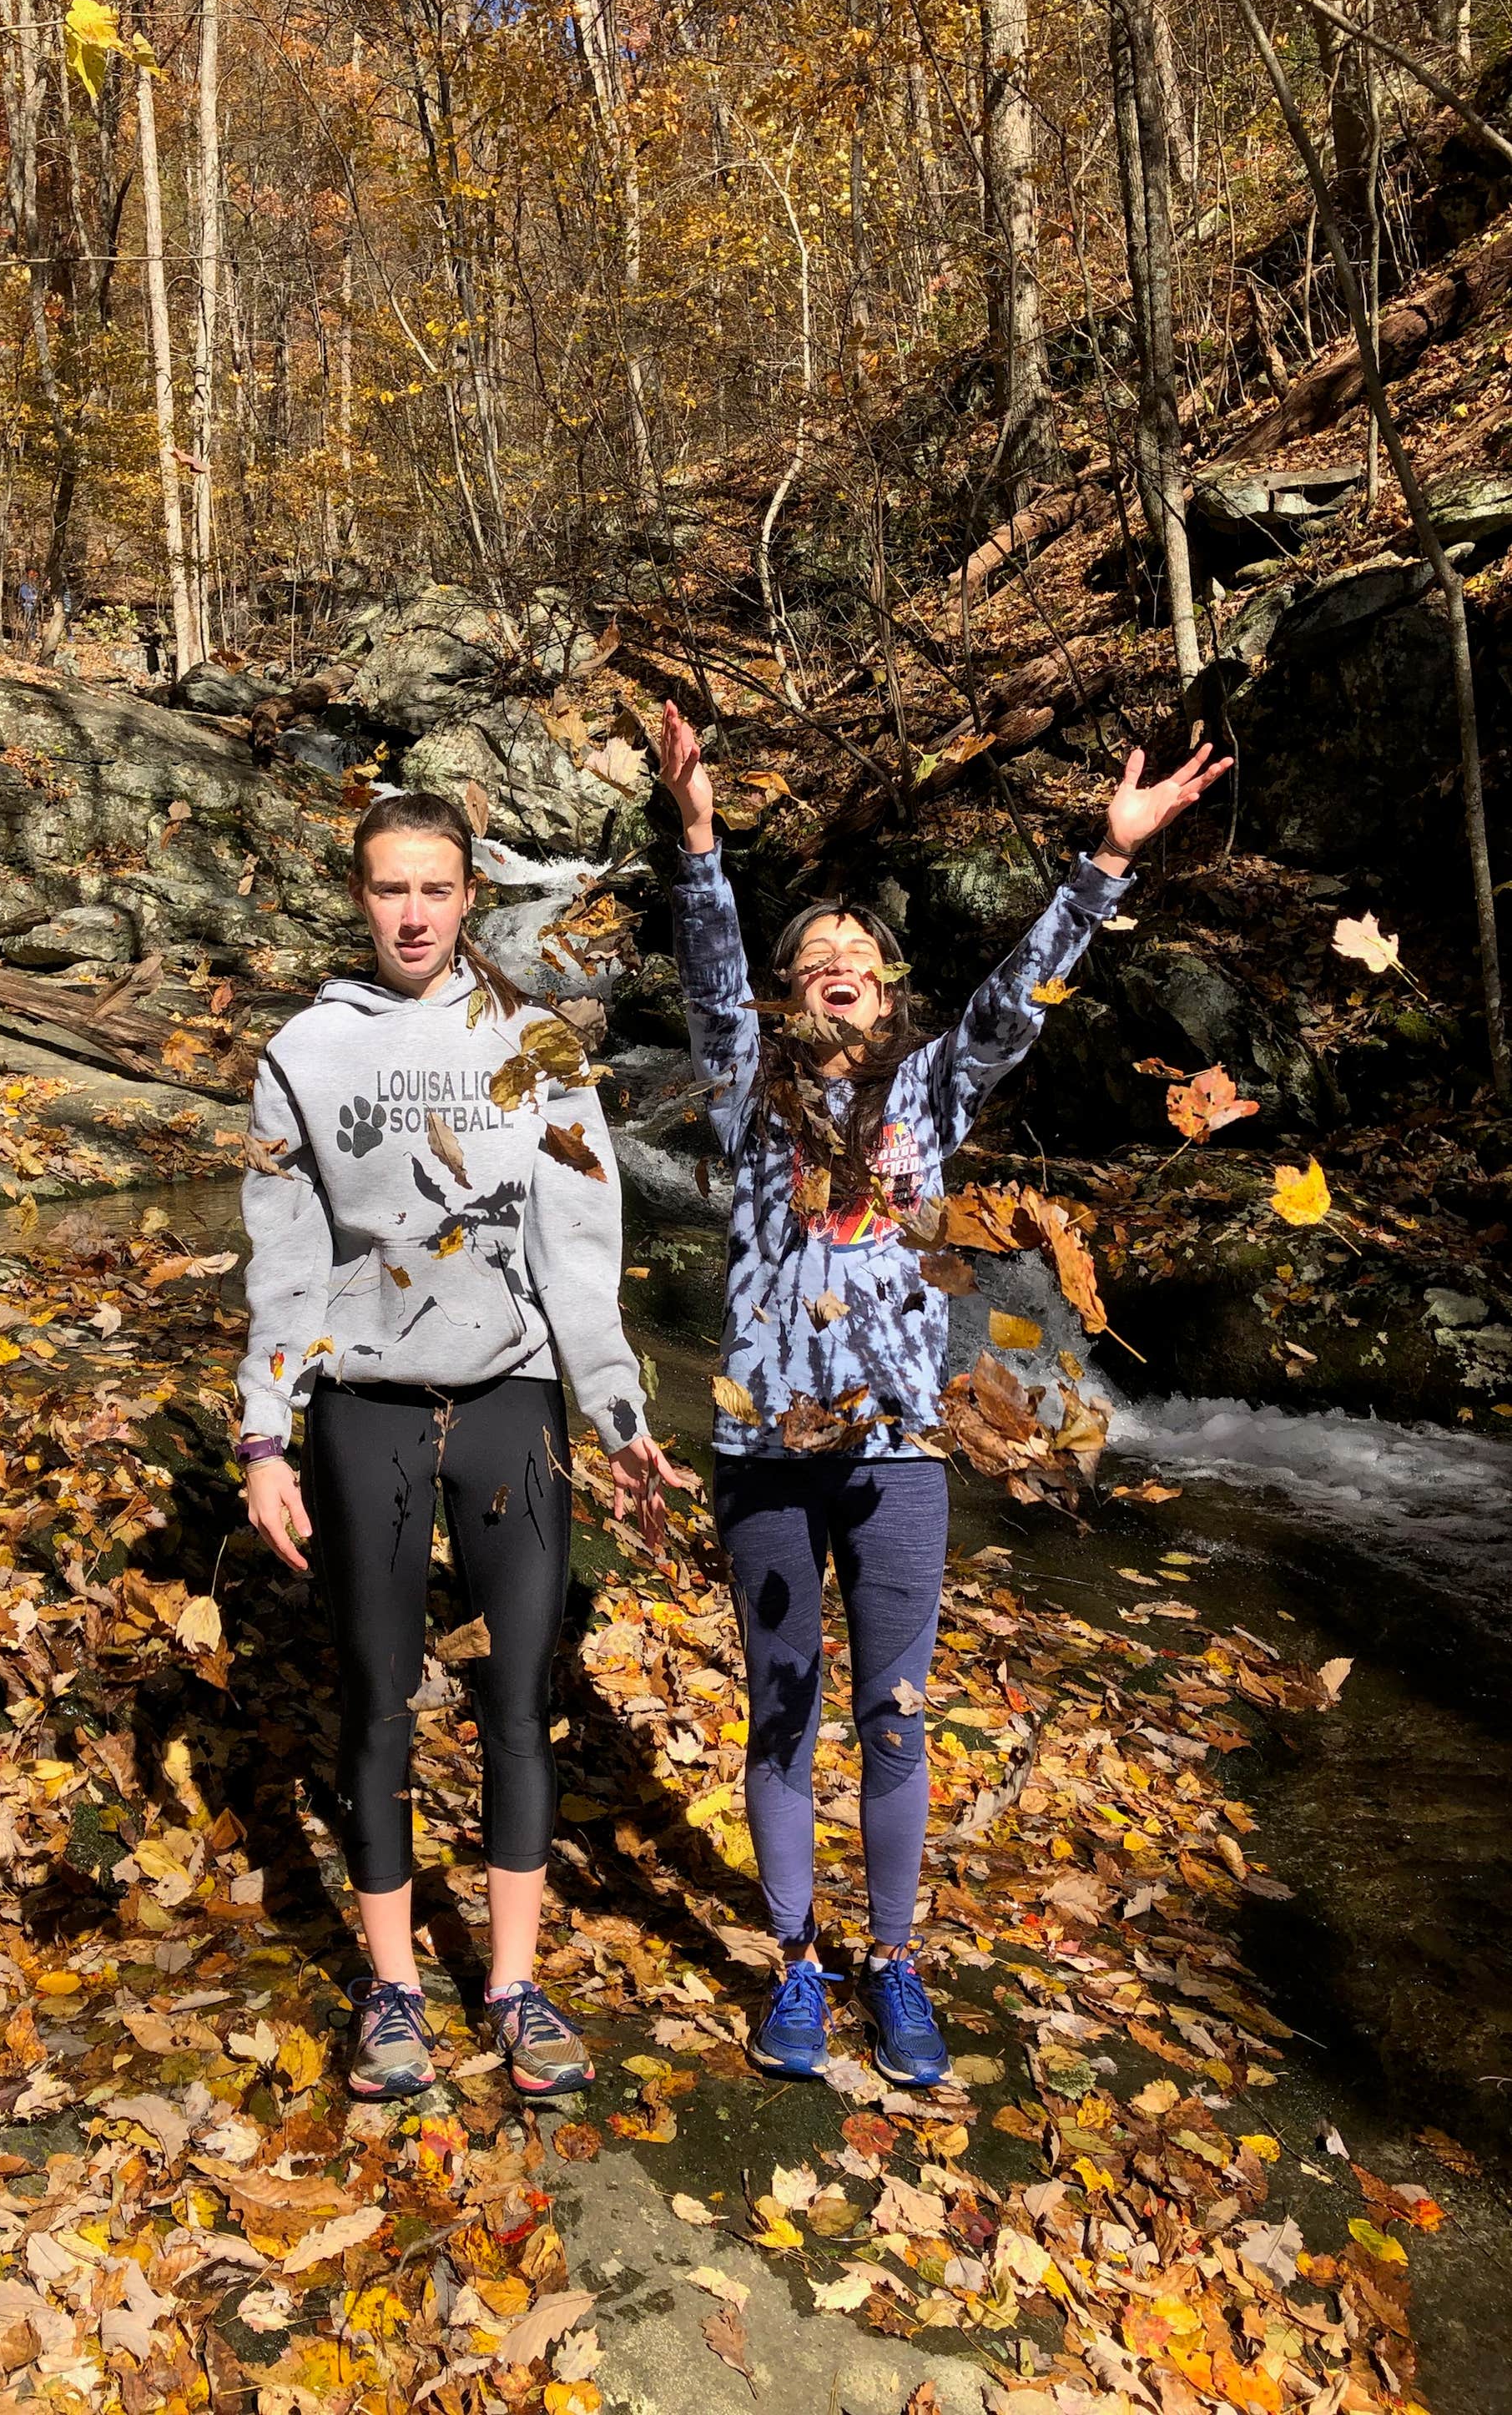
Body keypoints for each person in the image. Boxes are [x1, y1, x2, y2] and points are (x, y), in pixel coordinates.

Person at [657, 703, 1228, 2085]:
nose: (838, 965)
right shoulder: (742, 1090)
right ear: (787, 990)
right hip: (764, 1447)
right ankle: (797, 1964)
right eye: (815, 956)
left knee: (895, 1714)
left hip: (901, 1450)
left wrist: (1106, 858)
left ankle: (894, 1960)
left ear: (885, 983)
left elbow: (1014, 1002)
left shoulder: (929, 1089)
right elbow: (707, 967)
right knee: (782, 1707)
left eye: (859, 953)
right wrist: (694, 844)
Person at [238, 789, 679, 2103]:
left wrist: (616, 1408)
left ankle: (510, 1983)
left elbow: (578, 1247)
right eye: (389, 889)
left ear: (469, 893)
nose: (413, 912)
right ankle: (389, 1991)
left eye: (434, 888)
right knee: (376, 1693)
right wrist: (266, 1431)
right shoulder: (304, 1053)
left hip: (509, 1400)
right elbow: (285, 1260)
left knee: (517, 1698)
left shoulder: (536, 1044)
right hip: (363, 1404)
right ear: (360, 896)